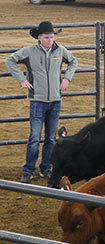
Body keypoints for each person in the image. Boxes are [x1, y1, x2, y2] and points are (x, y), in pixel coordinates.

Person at [5, 21, 78, 183]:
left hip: (55, 100)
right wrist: (21, 79)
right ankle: (28, 169)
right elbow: (10, 60)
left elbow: (73, 61)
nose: (49, 40)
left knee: (51, 138)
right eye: (46, 37)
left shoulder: (60, 50)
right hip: (37, 100)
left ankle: (46, 167)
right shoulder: (29, 52)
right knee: (35, 137)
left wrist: (67, 78)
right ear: (39, 38)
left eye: (51, 37)